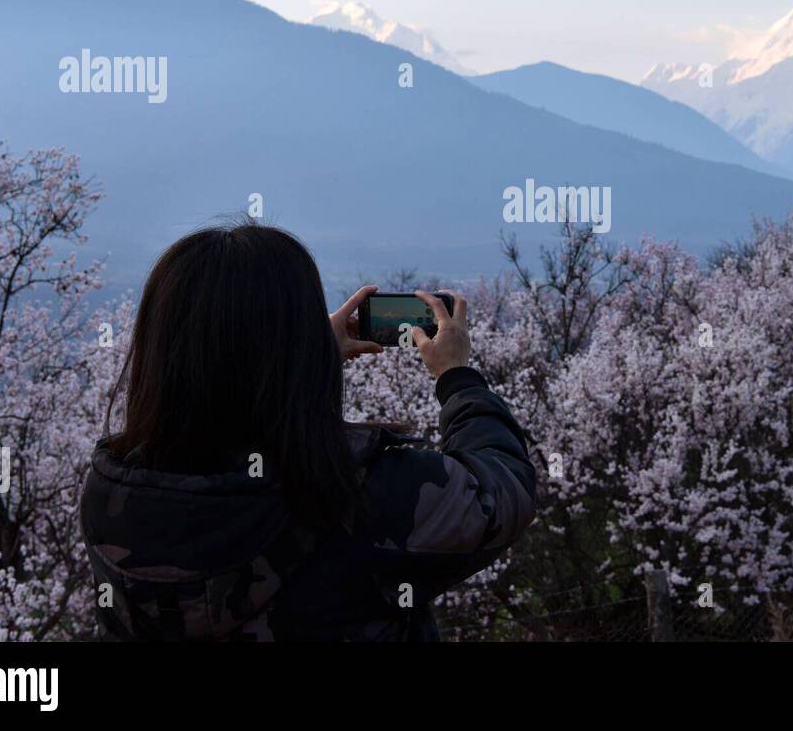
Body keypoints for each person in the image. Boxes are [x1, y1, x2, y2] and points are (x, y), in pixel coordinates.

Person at [79, 222, 536, 641]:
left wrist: (306, 362)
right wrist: (456, 376)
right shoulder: (362, 493)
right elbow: (499, 494)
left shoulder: (110, 496)